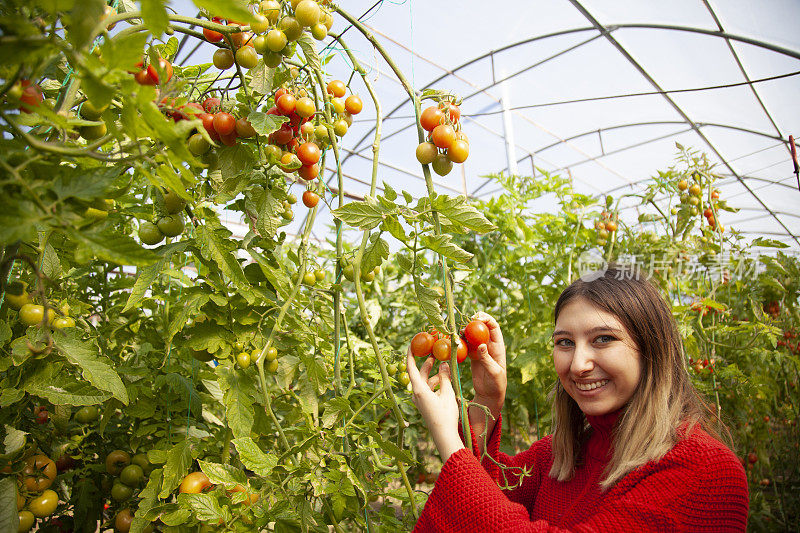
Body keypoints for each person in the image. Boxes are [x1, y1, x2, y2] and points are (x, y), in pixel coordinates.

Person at [406, 264, 749, 532]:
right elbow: (493, 492)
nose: (579, 364)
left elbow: (472, 506)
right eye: (565, 342)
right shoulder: (558, 455)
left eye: (603, 339)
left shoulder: (707, 472)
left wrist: (450, 441)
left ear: (651, 347)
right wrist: (487, 403)